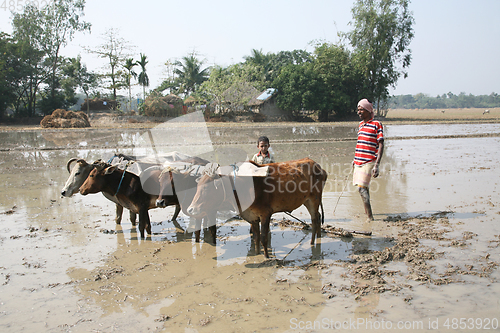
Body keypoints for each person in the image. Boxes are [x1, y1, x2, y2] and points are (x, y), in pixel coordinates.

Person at [352, 99, 384, 221]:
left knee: (361, 188)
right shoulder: (361, 125)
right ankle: (368, 213)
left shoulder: (377, 124)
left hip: (369, 161)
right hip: (358, 161)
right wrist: (354, 159)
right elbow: (360, 143)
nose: (359, 112)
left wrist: (377, 164)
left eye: (361, 109)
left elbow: (381, 144)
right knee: (364, 188)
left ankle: (370, 217)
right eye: (358, 109)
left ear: (368, 110)